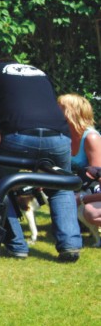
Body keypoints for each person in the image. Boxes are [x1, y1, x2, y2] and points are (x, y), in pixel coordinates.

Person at [0, 60, 82, 261]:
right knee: (61, 187)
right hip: (58, 137)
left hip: (17, 136)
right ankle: (70, 246)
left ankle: (17, 246)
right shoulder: (39, 71)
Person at [57, 93, 101, 243]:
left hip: (92, 188)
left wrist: (80, 197)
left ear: (71, 112)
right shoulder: (65, 136)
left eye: (59, 108)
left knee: (90, 213)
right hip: (77, 186)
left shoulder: (91, 138)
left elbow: (97, 176)